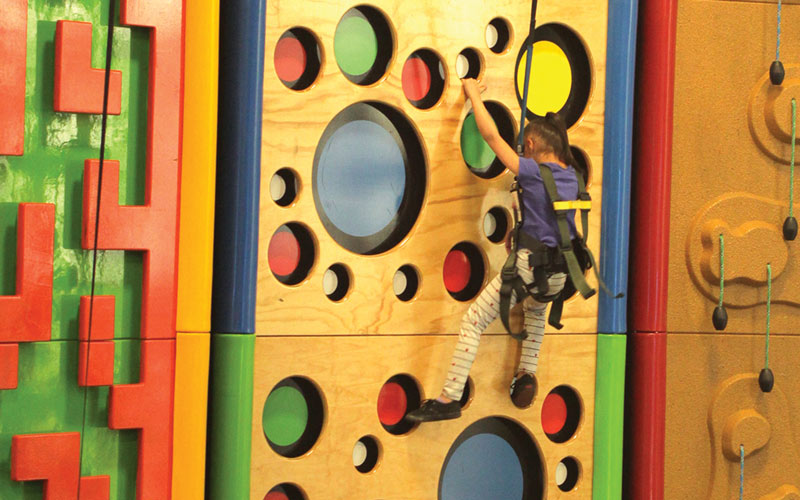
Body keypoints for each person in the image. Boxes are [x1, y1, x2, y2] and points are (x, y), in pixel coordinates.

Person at [407, 78, 580, 422]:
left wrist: (472, 94)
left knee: (473, 321)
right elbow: (547, 216)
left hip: (529, 268)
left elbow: (491, 137)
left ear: (530, 144)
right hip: (560, 274)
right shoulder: (571, 176)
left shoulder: (532, 171)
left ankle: (449, 397)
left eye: (524, 150)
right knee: (534, 313)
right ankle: (526, 372)